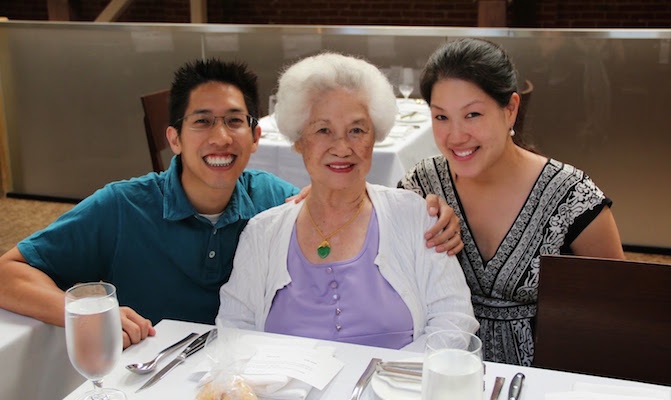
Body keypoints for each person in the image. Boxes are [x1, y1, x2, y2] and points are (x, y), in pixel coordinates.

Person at [0, 58, 461, 349]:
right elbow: (8, 272)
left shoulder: (272, 200)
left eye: (235, 121)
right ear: (174, 138)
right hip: (157, 373)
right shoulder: (122, 206)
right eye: (203, 122)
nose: (221, 138)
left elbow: (333, 198)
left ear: (257, 136)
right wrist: (87, 313)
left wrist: (433, 215)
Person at [216, 52, 479, 352]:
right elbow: (234, 329)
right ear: (298, 141)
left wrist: (391, 373)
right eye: (323, 130)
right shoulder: (262, 233)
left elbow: (454, 320)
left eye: (356, 130)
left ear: (375, 136)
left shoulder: (416, 217)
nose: (342, 148)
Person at [398, 38, 625, 365]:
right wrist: (417, 217)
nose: (456, 136)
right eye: (441, 117)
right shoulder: (421, 187)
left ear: (510, 110)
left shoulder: (571, 196)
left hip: (545, 377)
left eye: (473, 114)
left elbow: (619, 308)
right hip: (442, 372)